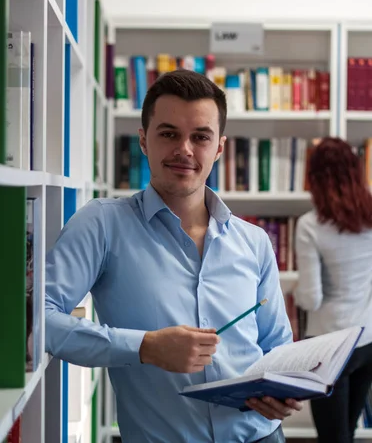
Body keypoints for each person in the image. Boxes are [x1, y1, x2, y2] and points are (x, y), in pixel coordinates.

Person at [45, 69, 302, 443]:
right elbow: (38, 320)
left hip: (261, 436)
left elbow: (278, 346)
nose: (184, 149)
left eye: (200, 137)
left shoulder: (255, 242)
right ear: (144, 141)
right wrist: (144, 347)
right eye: (168, 134)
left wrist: (284, 388)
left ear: (219, 148)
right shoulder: (101, 224)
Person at [294, 137, 372, 443]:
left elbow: (311, 298)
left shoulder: (310, 225)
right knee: (347, 434)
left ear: (314, 177)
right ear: (355, 171)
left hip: (329, 349)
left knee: (331, 437)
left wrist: (293, 292)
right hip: (367, 341)